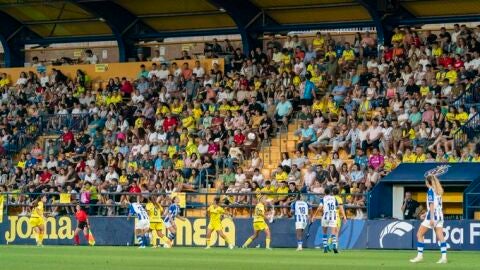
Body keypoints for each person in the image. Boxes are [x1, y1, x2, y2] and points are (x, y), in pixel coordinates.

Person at [410, 175, 447, 264]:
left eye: (426, 181)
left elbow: (431, 205)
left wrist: (430, 217)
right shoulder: (438, 191)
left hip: (433, 216)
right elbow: (437, 206)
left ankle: (420, 256)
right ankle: (444, 257)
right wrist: (426, 214)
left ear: (428, 182)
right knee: (440, 237)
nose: (425, 183)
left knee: (419, 234)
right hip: (440, 216)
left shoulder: (430, 191)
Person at [312, 188, 346, 253]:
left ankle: (325, 248)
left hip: (325, 216)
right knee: (333, 233)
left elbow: (320, 208)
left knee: (324, 232)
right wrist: (344, 216)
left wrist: (314, 215)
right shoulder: (334, 198)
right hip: (333, 216)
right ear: (330, 192)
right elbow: (338, 207)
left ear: (324, 193)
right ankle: (334, 246)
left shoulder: (323, 199)